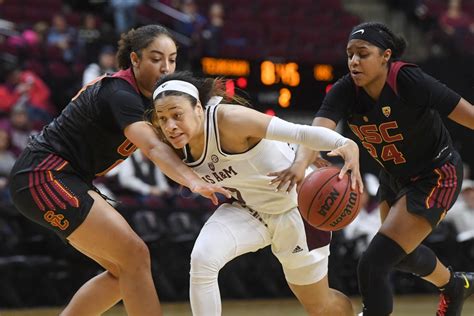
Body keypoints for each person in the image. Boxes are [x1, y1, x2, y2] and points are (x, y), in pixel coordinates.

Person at [8, 25, 230, 316]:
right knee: (135, 255)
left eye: (172, 59)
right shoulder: (120, 92)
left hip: (65, 178)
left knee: (122, 273)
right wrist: (192, 181)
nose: (166, 67)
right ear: (135, 60)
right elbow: (152, 147)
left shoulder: (155, 100)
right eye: (156, 58)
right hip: (44, 174)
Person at [270, 21, 474, 316]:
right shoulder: (344, 91)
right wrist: (301, 164)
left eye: (362, 53)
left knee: (373, 263)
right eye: (349, 54)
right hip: (393, 175)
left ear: (386, 56)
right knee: (399, 257)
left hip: (435, 175)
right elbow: (317, 131)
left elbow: (465, 113)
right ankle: (454, 285)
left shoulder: (407, 80)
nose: (353, 61)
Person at [149, 71, 364, 316]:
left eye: (177, 115)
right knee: (202, 259)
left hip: (298, 208)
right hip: (249, 210)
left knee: (320, 307)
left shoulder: (231, 120)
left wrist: (343, 143)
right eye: (163, 119)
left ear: (198, 107)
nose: (170, 126)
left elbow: (299, 132)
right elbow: (154, 150)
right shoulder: (172, 143)